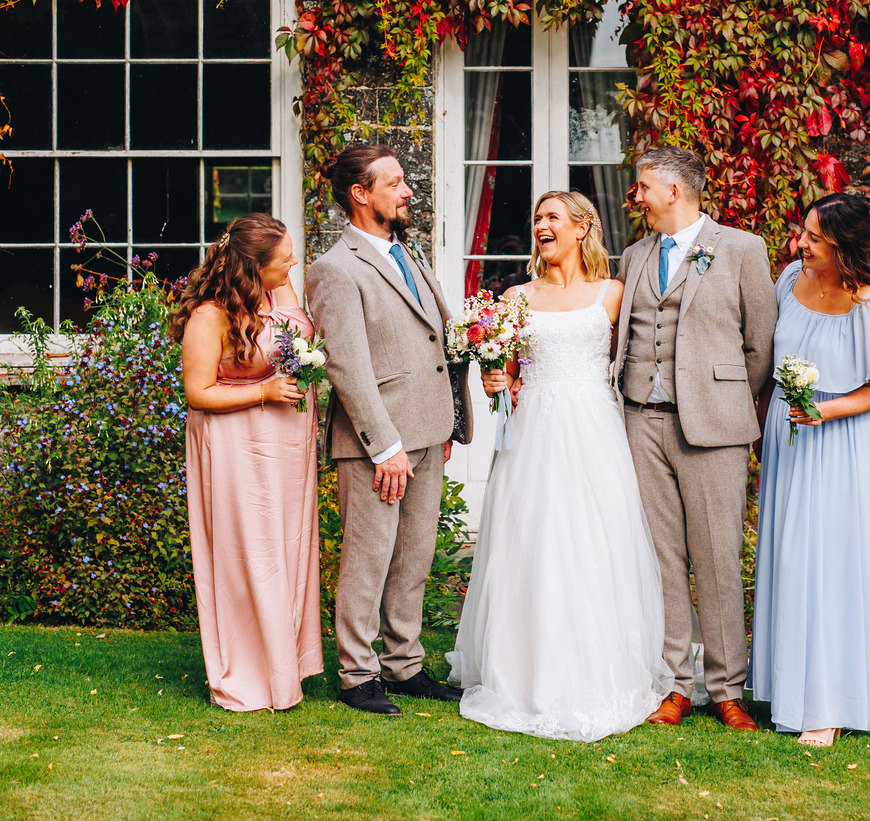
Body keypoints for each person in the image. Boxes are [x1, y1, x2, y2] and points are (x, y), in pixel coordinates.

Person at [448, 191, 671, 741]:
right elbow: (503, 371)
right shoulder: (517, 297)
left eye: (552, 217)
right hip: (532, 434)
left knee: (594, 543)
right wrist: (496, 379)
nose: (541, 225)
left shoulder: (613, 293)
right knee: (531, 542)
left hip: (594, 432)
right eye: (537, 218)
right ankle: (526, 671)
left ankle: (600, 666)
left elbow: (639, 359)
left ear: (582, 227)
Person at [612, 146, 778, 731]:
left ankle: (727, 689)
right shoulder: (634, 255)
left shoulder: (741, 248)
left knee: (716, 559)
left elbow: (760, 344)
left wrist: (722, 401)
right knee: (660, 559)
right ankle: (675, 685)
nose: (636, 196)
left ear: (673, 191)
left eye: (642, 187)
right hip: (640, 420)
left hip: (713, 428)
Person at [305, 143, 473, 716]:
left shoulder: (409, 253)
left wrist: (448, 421)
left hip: (428, 432)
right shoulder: (335, 269)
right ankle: (358, 675)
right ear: (361, 194)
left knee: (413, 559)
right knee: (369, 559)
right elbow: (347, 367)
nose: (407, 191)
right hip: (376, 445)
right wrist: (386, 448)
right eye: (395, 183)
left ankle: (405, 665)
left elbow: (434, 337)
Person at [749, 192, 870, 746]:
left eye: (814, 238)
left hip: (839, 443)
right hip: (787, 435)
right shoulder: (789, 279)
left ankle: (830, 704)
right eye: (803, 232)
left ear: (843, 245)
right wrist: (760, 427)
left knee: (831, 563)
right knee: (791, 558)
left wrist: (824, 410)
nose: (801, 244)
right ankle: (789, 687)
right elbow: (768, 364)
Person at [176, 213, 320, 712]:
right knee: (251, 552)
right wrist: (263, 391)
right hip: (236, 448)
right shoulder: (209, 316)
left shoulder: (279, 293)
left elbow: (297, 335)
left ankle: (286, 665)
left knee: (287, 548)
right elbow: (198, 392)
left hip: (287, 448)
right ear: (254, 266)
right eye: (285, 259)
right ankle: (251, 673)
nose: (294, 263)